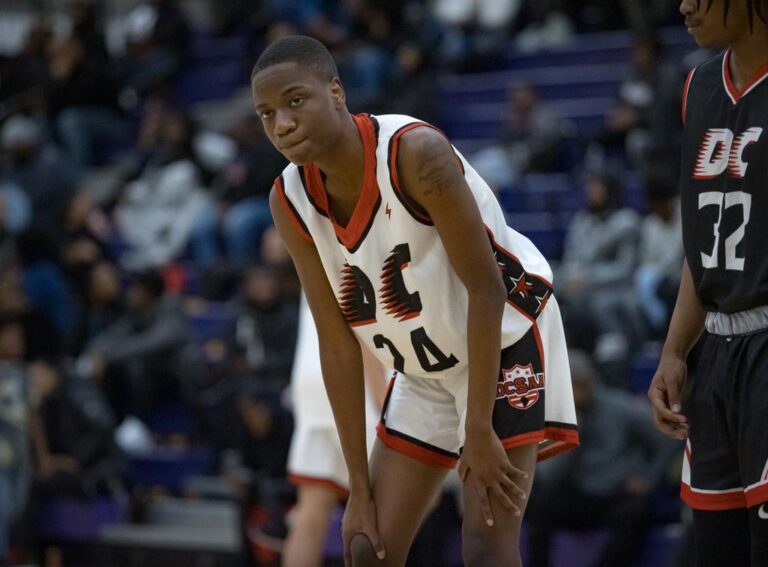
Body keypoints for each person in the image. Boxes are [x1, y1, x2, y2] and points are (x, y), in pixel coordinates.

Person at [253, 35, 578, 566]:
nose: (282, 124)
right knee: (367, 545)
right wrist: (356, 484)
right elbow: (335, 344)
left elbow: (485, 289)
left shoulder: (414, 154)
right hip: (426, 371)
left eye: (295, 100)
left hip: (506, 339)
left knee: (486, 546)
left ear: (335, 92)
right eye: (266, 114)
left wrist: (476, 427)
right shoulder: (288, 198)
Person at [647, 1, 768, 566]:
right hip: (715, 359)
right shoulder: (696, 88)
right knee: (717, 552)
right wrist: (675, 350)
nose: (685, 5)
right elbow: (702, 242)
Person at [527, 350, 676, 567]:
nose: (575, 393)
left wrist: (648, 476)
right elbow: (548, 476)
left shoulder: (619, 407)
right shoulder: (557, 415)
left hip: (616, 493)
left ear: (589, 383)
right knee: (540, 507)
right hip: (580, 493)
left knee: (635, 512)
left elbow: (666, 438)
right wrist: (570, 432)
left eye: (578, 385)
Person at [283, 296, 387, 567]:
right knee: (389, 509)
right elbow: (357, 310)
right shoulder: (356, 251)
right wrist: (380, 391)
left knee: (312, 509)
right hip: (352, 376)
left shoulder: (313, 251)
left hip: (312, 376)